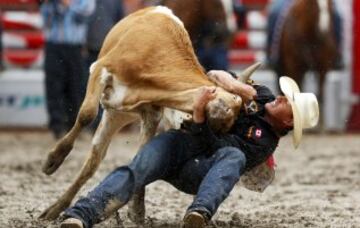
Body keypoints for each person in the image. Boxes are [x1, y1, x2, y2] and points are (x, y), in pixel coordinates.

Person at [59, 70, 319, 228]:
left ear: (288, 122)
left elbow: (216, 146)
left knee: (233, 156)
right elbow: (216, 75)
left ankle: (199, 212)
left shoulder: (265, 143)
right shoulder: (262, 94)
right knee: (135, 169)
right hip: (178, 144)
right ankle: (81, 215)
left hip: (200, 170)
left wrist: (198, 114)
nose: (282, 97)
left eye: (289, 102)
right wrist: (242, 89)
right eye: (287, 94)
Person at [40, 0, 95, 139]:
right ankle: (57, 127)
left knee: (76, 87)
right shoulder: (50, 4)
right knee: (54, 87)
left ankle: (75, 127)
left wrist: (66, 4)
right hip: (54, 46)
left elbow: (85, 14)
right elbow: (46, 19)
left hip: (75, 48)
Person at [83, 0, 125, 129]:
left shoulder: (115, 2)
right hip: (89, 49)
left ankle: (99, 124)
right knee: (86, 87)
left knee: (105, 89)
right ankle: (87, 123)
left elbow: (121, 23)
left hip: (108, 50)